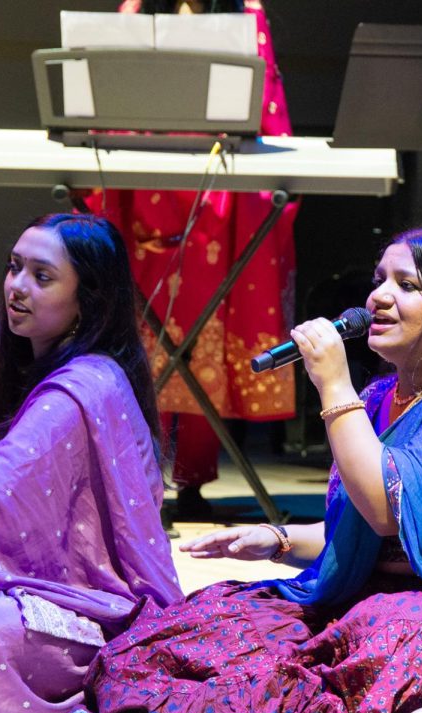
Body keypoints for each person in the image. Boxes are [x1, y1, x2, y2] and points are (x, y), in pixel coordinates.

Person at [59, 228, 422, 713]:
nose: (378, 296)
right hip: (364, 592)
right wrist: (277, 540)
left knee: (379, 637)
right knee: (208, 620)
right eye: (380, 279)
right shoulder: (381, 397)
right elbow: (358, 533)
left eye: (406, 285)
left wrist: (334, 385)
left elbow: (386, 511)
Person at [0, 213, 182, 713]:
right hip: (34, 583)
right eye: (14, 268)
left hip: (99, 610)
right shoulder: (53, 371)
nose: (17, 287)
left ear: (88, 299)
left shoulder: (82, 387)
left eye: (42, 276)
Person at [89, 0, 300, 518]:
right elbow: (107, 94)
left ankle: (191, 481)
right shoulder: (136, 8)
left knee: (209, 335)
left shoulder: (245, 9)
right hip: (145, 180)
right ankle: (134, 481)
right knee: (142, 335)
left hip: (218, 189)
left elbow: (266, 102)